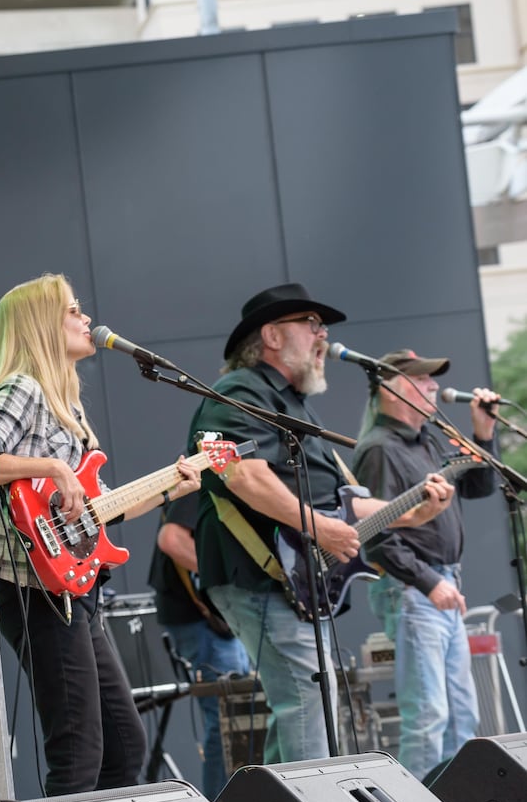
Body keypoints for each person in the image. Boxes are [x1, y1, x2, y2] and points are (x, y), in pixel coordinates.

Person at [0, 273, 200, 796]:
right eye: (73, 311)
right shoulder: (22, 388)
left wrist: (173, 489)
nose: (86, 319)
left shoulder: (69, 405)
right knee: (79, 749)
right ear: (43, 326)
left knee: (125, 746)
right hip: (32, 585)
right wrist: (54, 467)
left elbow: (99, 513)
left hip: (72, 587)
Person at [187, 283, 452, 765]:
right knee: (309, 698)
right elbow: (242, 473)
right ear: (271, 335)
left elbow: (342, 505)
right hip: (258, 573)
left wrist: (413, 513)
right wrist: (316, 527)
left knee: (304, 703)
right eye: (311, 325)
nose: (322, 336)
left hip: (288, 578)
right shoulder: (238, 391)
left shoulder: (295, 404)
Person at [354, 349, 499, 779]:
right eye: (423, 379)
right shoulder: (380, 449)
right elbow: (375, 536)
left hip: (438, 587)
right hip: (415, 590)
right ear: (391, 390)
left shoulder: (426, 441)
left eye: (433, 379)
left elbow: (479, 485)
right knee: (429, 716)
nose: (435, 386)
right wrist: (430, 582)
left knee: (461, 715)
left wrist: (483, 432)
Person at [147, 493, 252, 797]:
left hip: (220, 620)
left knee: (236, 721)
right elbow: (172, 538)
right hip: (201, 620)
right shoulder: (204, 478)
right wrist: (230, 578)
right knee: (226, 722)